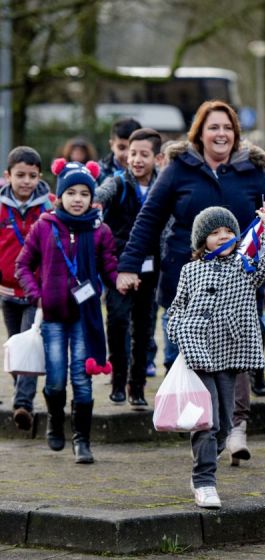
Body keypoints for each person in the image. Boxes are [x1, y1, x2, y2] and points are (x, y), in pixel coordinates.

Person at [116, 100, 265, 465]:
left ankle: (234, 425)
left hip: (241, 279)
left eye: (227, 127)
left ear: (235, 133)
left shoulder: (252, 170)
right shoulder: (179, 169)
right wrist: (128, 265)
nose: (220, 134)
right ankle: (200, 426)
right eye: (213, 127)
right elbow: (149, 218)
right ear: (200, 133)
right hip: (187, 279)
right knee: (190, 354)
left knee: (234, 353)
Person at [169, 205, 265, 508]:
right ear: (202, 241)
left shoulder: (246, 267)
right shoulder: (190, 270)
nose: (223, 237)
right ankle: (205, 480)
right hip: (197, 350)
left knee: (223, 423)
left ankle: (205, 460)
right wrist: (181, 333)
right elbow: (176, 309)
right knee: (206, 420)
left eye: (228, 232)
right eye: (214, 233)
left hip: (230, 351)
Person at [15, 159, 118, 464]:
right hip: (53, 317)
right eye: (70, 192)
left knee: (83, 381)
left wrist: (122, 280)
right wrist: (37, 296)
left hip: (85, 319)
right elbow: (23, 265)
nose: (77, 199)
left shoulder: (100, 231)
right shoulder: (44, 227)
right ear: (59, 196)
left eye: (84, 194)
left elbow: (109, 267)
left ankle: (82, 440)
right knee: (56, 378)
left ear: (92, 198)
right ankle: (55, 419)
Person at [96, 128, 164, 408]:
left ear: (157, 158)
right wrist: (93, 200)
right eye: (132, 153)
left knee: (144, 328)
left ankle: (137, 386)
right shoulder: (118, 183)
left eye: (143, 155)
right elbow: (102, 194)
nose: (136, 159)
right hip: (118, 267)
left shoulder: (163, 187)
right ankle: (118, 381)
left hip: (151, 269)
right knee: (118, 322)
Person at [1, 146, 55, 430]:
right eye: (20, 175)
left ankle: (23, 405)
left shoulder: (49, 208)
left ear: (40, 176)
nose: (25, 181)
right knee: (15, 344)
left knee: (30, 341)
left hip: (35, 293)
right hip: (7, 292)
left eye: (32, 176)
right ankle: (22, 390)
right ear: (7, 175)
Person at [98, 117, 142, 182]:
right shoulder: (99, 173)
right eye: (122, 148)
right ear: (111, 145)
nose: (127, 154)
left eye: (132, 149)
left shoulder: (151, 173)